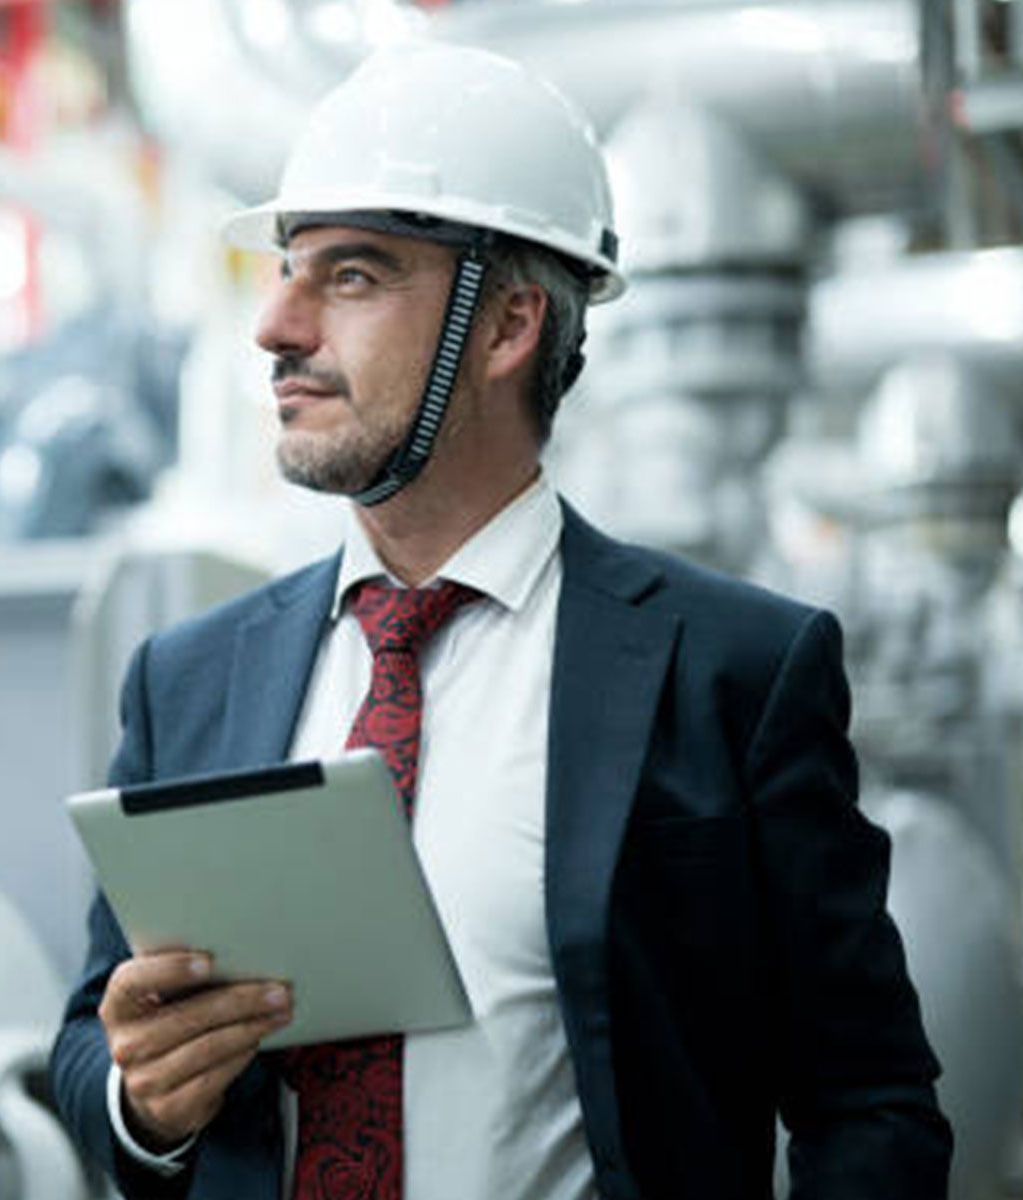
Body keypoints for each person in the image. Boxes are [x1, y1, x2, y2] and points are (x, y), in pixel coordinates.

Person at [47, 38, 951, 1200]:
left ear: (508, 326)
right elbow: (89, 1038)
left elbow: (867, 1103)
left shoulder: (732, 674)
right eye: (286, 268)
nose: (276, 323)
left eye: (353, 275)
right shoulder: (190, 679)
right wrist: (140, 1101)